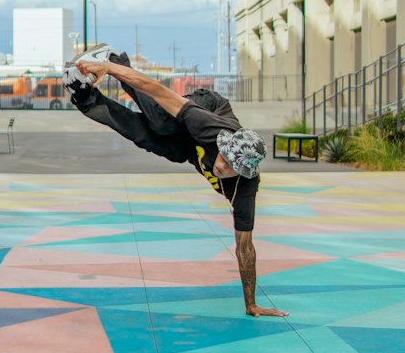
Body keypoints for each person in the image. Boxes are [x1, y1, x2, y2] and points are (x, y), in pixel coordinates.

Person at [64, 48, 288, 318]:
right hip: (208, 106)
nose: (221, 165)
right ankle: (113, 58)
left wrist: (251, 303)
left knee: (149, 138)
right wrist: (111, 70)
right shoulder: (210, 128)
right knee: (161, 122)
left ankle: (84, 95)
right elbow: (156, 91)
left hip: (188, 149)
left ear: (242, 172)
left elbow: (245, 246)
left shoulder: (245, 189)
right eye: (223, 156)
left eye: (229, 167)